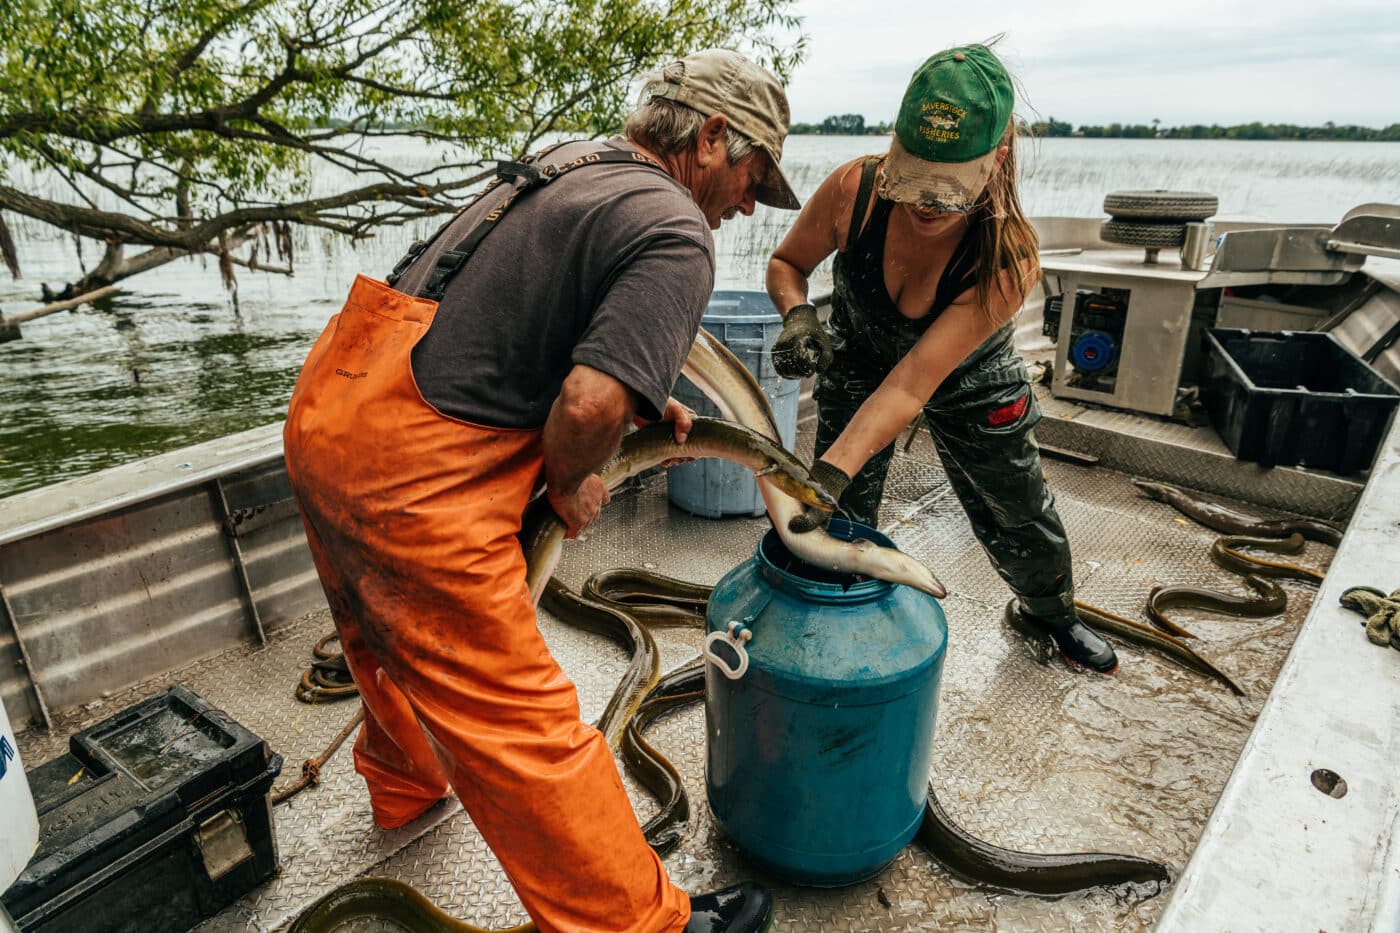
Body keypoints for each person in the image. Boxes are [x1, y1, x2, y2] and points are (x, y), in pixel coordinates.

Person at [283, 49, 799, 933]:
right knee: (522, 721)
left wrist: (634, 389)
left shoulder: (572, 163)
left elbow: (522, 328)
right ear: (713, 137)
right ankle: (641, 923)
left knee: (379, 634)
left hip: (333, 411)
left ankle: (406, 790)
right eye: (755, 175)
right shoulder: (677, 228)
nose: (751, 201)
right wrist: (571, 479)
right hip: (415, 476)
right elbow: (589, 401)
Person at [765, 43, 1118, 675]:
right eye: (913, 177)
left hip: (970, 380)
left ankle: (1051, 611)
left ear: (996, 160)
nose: (925, 204)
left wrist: (830, 469)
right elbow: (787, 264)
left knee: (1016, 508)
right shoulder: (854, 190)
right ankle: (835, 625)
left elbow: (911, 386)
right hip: (858, 358)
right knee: (839, 516)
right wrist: (798, 313)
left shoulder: (1007, 257)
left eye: (946, 188)